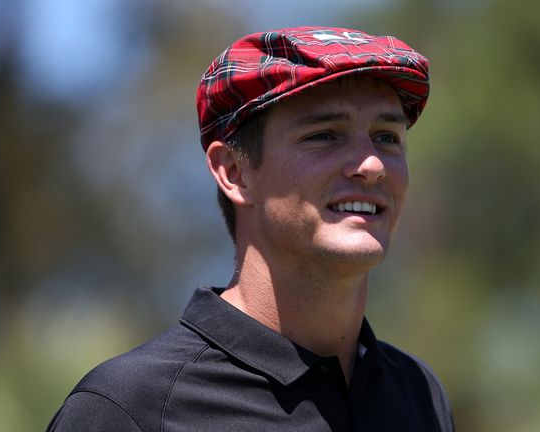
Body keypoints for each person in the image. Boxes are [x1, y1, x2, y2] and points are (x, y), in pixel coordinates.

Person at [46, 26, 454, 431]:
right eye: (324, 135)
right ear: (234, 172)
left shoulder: (420, 394)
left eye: (387, 137)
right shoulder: (131, 409)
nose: (371, 165)